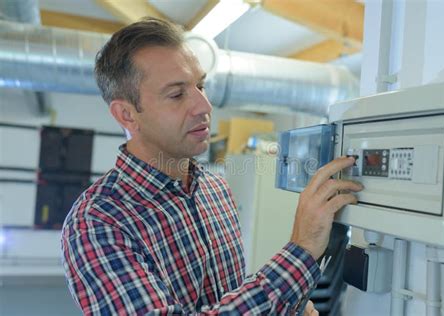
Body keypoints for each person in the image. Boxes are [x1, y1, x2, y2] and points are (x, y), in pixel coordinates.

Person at [61, 17, 363, 315]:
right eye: (177, 94)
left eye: (200, 85)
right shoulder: (97, 223)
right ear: (127, 114)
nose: (204, 106)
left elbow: (224, 299)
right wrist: (302, 248)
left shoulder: (214, 188)